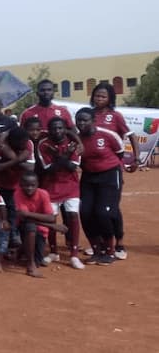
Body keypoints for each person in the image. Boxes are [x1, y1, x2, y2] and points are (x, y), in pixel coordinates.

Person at [90, 82, 139, 259]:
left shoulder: (115, 116)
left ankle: (119, 243)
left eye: (103, 96)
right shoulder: (89, 115)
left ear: (110, 99)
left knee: (111, 208)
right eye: (97, 95)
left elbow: (131, 136)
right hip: (92, 170)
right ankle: (101, 243)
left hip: (112, 168)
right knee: (94, 208)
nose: (99, 99)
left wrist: (136, 159)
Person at [76, 107, 126, 266]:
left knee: (103, 213)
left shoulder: (107, 135)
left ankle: (110, 251)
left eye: (85, 120)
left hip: (109, 176)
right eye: (79, 120)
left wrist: (111, 168)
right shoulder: (77, 139)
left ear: (93, 121)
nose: (81, 123)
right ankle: (97, 250)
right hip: (88, 177)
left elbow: (120, 153)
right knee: (85, 212)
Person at [37, 117, 85, 269]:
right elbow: (49, 169)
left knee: (73, 215)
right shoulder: (43, 144)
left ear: (65, 129)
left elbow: (72, 167)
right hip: (51, 186)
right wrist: (65, 155)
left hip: (70, 185)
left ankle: (74, 255)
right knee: (51, 218)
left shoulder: (73, 143)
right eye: (54, 128)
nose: (57, 131)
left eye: (60, 128)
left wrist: (57, 156)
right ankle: (53, 252)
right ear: (49, 130)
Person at [15, 172, 69, 278]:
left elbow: (51, 218)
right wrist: (52, 226)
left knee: (38, 261)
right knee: (30, 226)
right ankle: (30, 266)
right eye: (26, 185)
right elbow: (24, 219)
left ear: (37, 184)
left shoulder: (43, 194)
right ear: (21, 185)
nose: (29, 188)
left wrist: (28, 214)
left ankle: (23, 249)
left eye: (32, 185)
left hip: (41, 229)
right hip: (23, 227)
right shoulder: (18, 194)